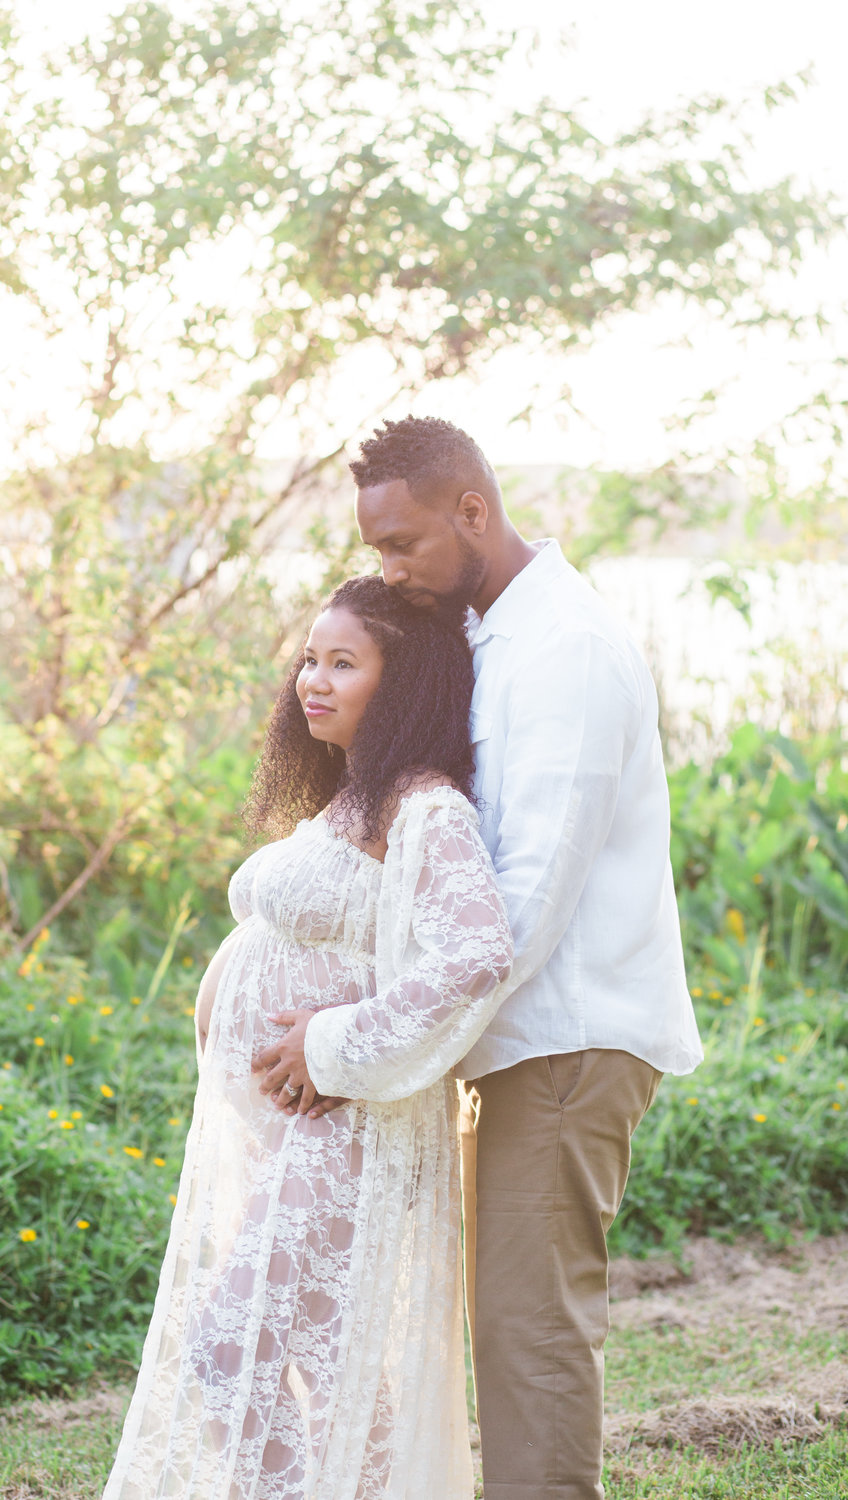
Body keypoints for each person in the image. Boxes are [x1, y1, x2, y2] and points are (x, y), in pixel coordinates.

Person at [261, 418, 703, 1500]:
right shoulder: (496, 640)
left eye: (403, 545)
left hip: (566, 1040)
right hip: (510, 1045)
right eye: (376, 551)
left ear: (473, 512)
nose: (389, 572)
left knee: (527, 1329)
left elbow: (519, 910)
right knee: (498, 1322)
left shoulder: (567, 653)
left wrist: (343, 1047)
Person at [102, 575, 516, 1500]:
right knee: (336, 1376)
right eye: (308, 658)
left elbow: (477, 952)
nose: (310, 680)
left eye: (342, 662)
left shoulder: (424, 805)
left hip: (346, 1131)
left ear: (399, 682)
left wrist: (338, 1045)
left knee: (229, 1346)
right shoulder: (351, 798)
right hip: (288, 1135)